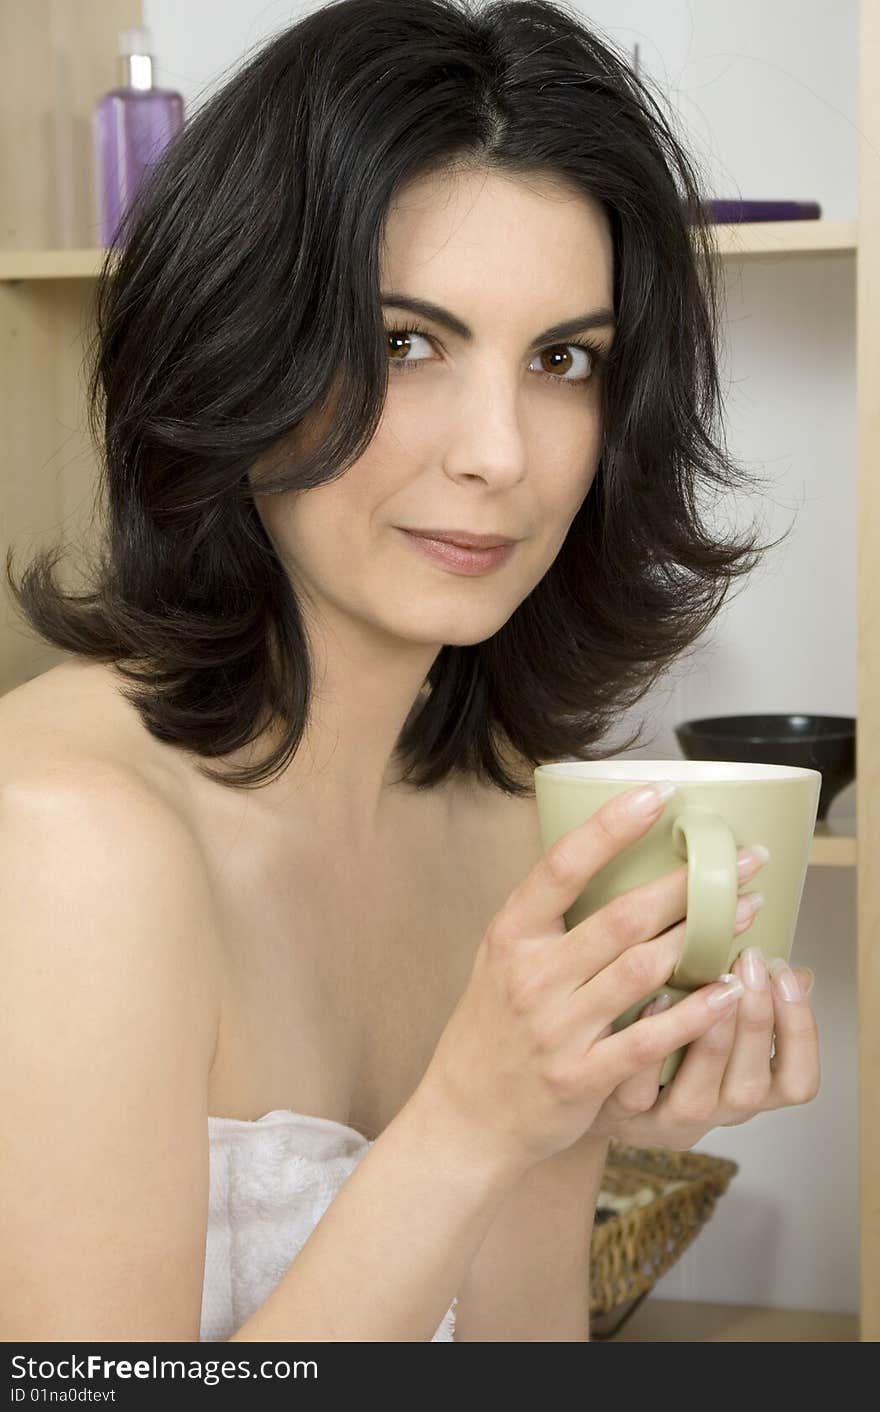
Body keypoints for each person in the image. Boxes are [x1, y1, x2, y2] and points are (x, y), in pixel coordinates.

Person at [0, 0, 818, 1343]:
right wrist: (474, 1117)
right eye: (404, 343)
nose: (501, 451)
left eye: (564, 360)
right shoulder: (68, 840)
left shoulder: (507, 822)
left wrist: (564, 1124)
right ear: (237, 340)